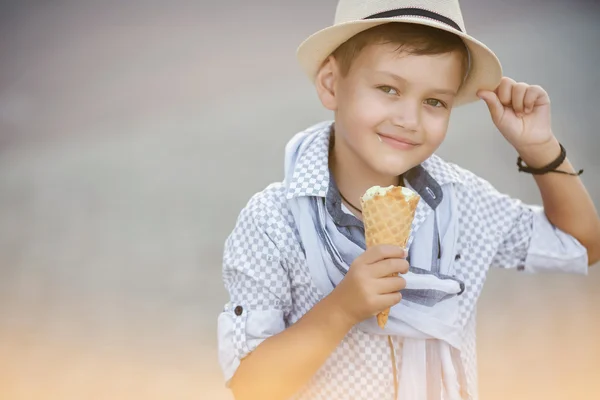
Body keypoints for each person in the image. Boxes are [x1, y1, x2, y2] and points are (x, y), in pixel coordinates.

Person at [217, 1, 600, 399]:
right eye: (388, 89)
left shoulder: (459, 203)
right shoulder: (272, 223)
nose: (409, 119)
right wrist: (342, 309)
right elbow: (251, 385)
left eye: (435, 101)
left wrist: (540, 148)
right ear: (331, 84)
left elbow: (580, 245)